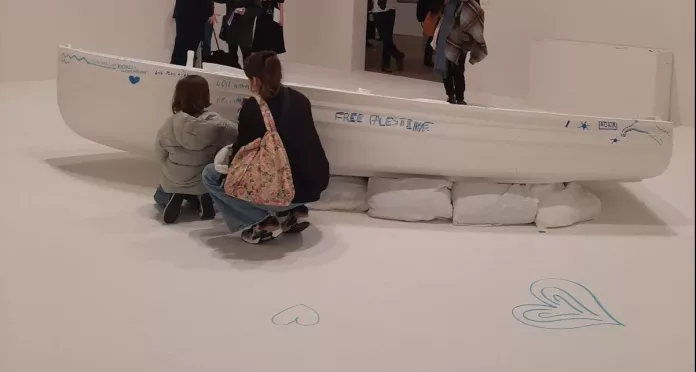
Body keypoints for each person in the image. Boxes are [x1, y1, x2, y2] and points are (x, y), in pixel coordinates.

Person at [202, 51, 330, 244]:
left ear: (254, 79)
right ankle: (294, 213)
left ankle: (261, 224)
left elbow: (239, 154)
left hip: (286, 189)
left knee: (211, 175)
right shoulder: (300, 99)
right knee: (286, 160)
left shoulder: (254, 108)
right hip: (312, 185)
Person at [155, 75, 239, 224]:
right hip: (203, 179)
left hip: (174, 178)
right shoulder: (219, 124)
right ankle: (201, 197)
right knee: (209, 185)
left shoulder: (169, 124)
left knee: (159, 196)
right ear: (205, 95)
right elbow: (237, 137)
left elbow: (160, 154)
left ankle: (178, 195)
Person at [433, 0, 487, 105]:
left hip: (462, 38)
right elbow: (437, 8)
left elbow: (477, 13)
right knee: (445, 66)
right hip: (445, 33)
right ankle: (451, 94)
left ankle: (459, 96)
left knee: (458, 67)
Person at [171, 0, 216, 66]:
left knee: (180, 47)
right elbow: (207, 6)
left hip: (182, 14)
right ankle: (186, 72)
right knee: (190, 51)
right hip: (195, 18)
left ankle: (174, 71)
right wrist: (211, 12)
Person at [224, 0, 262, 68]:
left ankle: (248, 76)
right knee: (232, 56)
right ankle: (234, 75)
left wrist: (246, 11)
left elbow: (258, 8)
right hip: (232, 24)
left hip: (245, 26)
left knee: (247, 57)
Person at [369, 0, 405, 73]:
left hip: (390, 9)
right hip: (376, 10)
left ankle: (386, 64)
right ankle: (398, 55)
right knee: (385, 38)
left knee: (387, 37)